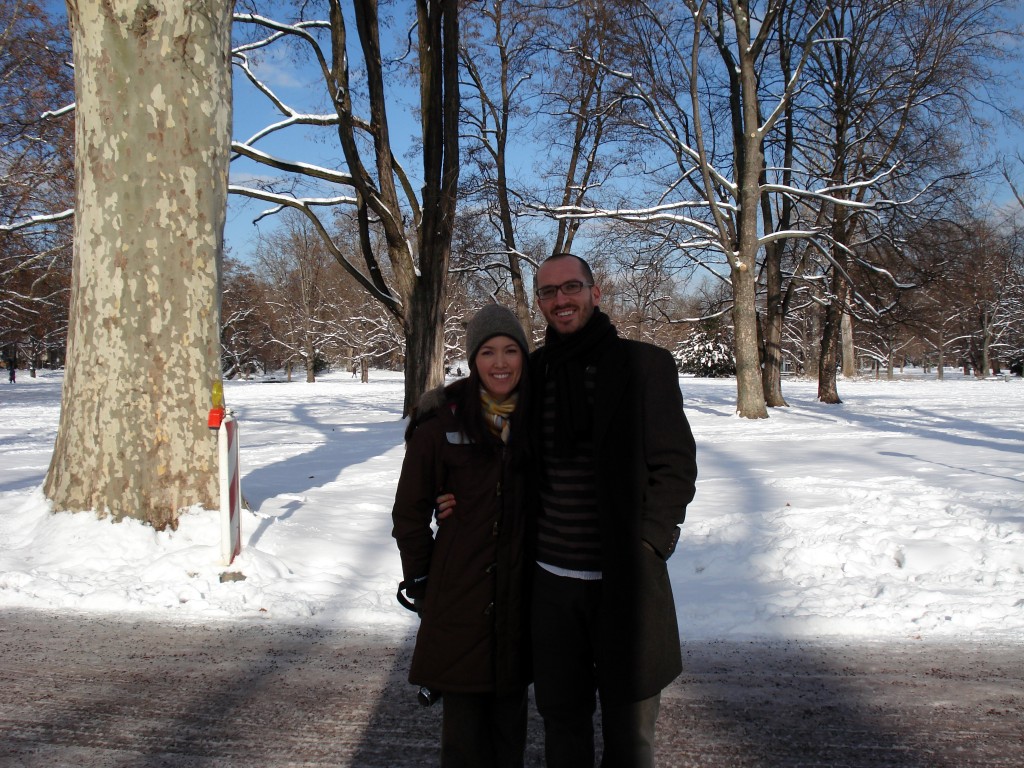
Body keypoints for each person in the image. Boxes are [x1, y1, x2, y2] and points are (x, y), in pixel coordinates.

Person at [443, 253, 697, 766]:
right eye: (548, 292)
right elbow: (482, 408)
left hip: (626, 582)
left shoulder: (644, 366)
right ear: (539, 302)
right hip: (551, 587)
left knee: (631, 737)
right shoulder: (535, 373)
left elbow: (675, 466)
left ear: (595, 292)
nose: (561, 299)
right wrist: (451, 479)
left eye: (571, 287)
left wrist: (650, 544)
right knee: (563, 724)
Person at [392, 304, 533, 767]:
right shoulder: (441, 423)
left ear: (524, 356)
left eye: (511, 350)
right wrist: (423, 580)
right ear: (473, 360)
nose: (500, 363)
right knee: (465, 737)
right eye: (488, 352)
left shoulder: (541, 420)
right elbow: (409, 513)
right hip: (460, 598)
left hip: (520, 598)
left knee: (509, 732)